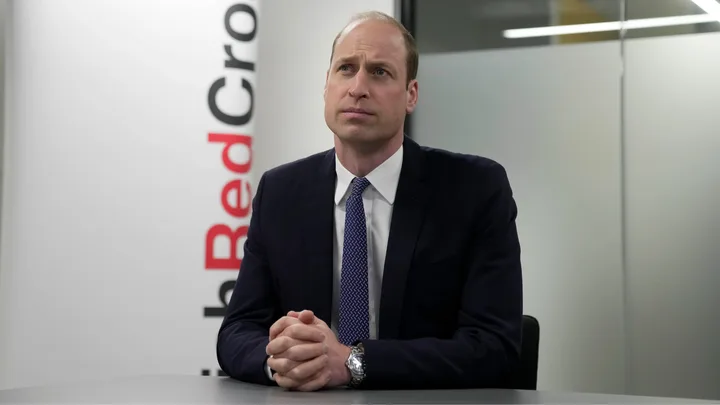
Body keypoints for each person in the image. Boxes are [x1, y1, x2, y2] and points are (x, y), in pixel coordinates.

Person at [216, 11, 523, 391]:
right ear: (326, 84)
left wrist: (352, 363)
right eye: (346, 68)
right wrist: (281, 358)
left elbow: (495, 347)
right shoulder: (280, 192)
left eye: (379, 72)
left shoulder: (475, 189)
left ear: (411, 94)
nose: (358, 87)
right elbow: (237, 331)